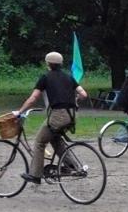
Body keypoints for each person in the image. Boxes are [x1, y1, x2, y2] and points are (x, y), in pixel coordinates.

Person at [15, 52, 88, 184]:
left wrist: (20, 112)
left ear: (48, 63)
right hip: (72, 116)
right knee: (55, 139)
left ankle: (35, 175)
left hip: (58, 116)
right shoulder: (69, 77)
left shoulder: (45, 77)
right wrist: (75, 100)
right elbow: (84, 94)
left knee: (39, 141)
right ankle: (71, 166)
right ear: (60, 64)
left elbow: (33, 99)